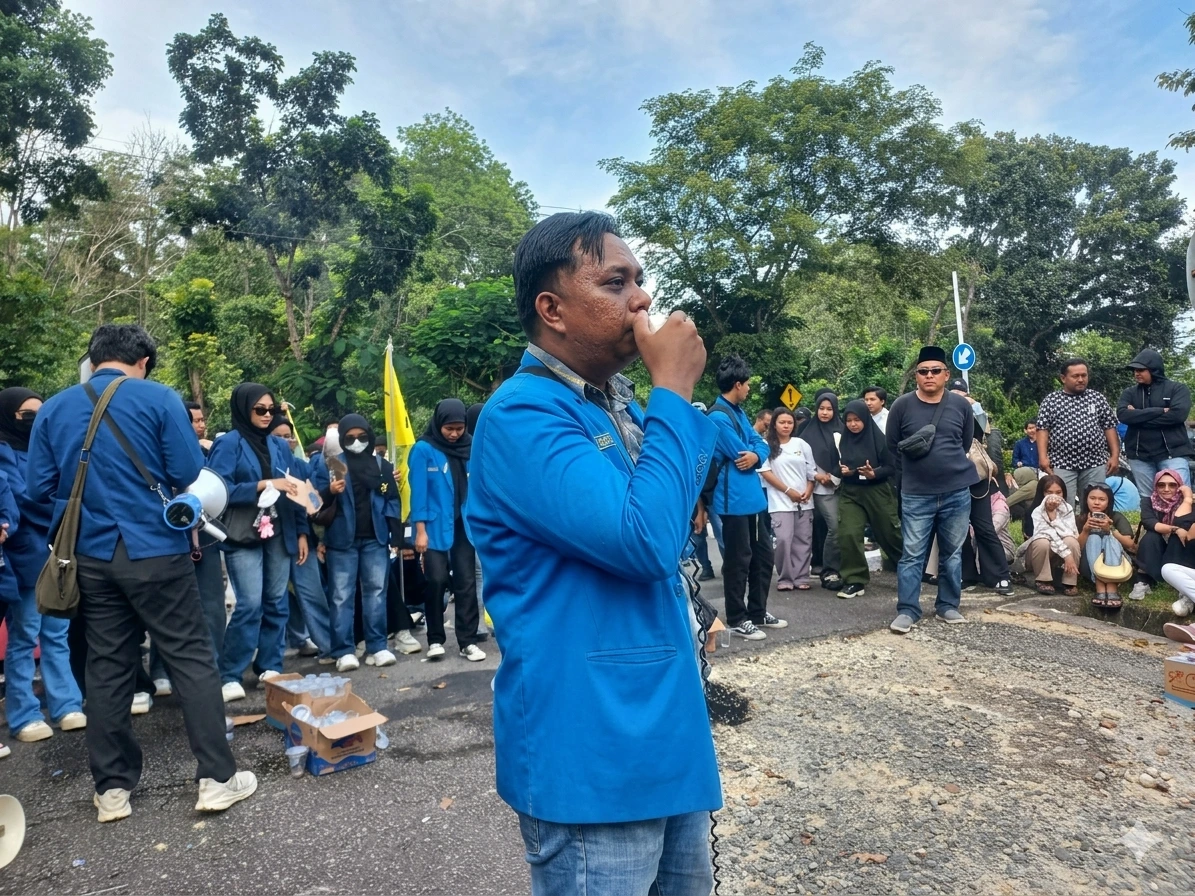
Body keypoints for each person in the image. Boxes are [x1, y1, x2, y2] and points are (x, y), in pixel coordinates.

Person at [465, 211, 720, 894]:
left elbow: (674, 517)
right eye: (615, 283)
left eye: (639, 279)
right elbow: (642, 542)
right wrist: (674, 390)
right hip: (592, 743)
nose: (641, 298)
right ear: (552, 309)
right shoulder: (522, 414)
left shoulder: (616, 405)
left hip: (665, 724)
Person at [26, 323, 256, 821]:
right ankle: (216, 780)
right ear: (144, 361)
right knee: (190, 658)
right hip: (155, 549)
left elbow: (38, 486)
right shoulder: (159, 398)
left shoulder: (55, 408)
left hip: (89, 555)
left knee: (108, 666)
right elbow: (185, 472)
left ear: (93, 358)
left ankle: (112, 790)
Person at [206, 383, 308, 699]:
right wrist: (263, 484)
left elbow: (294, 488)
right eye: (260, 409)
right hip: (243, 533)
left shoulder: (279, 445)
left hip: (279, 529)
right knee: (250, 604)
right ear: (243, 408)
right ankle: (231, 673)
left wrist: (302, 532)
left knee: (277, 601)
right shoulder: (228, 444)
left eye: (271, 410)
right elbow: (217, 491)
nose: (267, 415)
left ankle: (270, 665)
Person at [0, 386, 87, 743]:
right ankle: (24, 714)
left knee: (57, 633)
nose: (34, 421)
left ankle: (66, 705)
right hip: (25, 555)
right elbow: (24, 498)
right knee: (24, 635)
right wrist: (66, 513)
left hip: (57, 552)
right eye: (27, 415)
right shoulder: (3, 451)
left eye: (39, 413)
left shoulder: (46, 446)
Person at [886, 346, 978, 633]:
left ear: (946, 374)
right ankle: (907, 610)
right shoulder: (901, 405)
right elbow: (892, 446)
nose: (929, 375)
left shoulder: (961, 406)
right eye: (923, 371)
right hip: (916, 494)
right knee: (912, 554)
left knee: (952, 553)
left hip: (956, 492)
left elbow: (964, 443)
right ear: (916, 375)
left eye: (935, 371)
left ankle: (947, 605)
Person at [310, 413, 404, 668]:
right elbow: (313, 503)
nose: (356, 442)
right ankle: (343, 651)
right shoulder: (333, 465)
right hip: (342, 541)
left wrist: (395, 534)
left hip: (375, 538)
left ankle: (377, 647)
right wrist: (330, 491)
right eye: (350, 438)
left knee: (376, 593)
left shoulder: (381, 466)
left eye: (361, 437)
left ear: (369, 436)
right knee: (341, 596)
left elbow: (392, 500)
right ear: (342, 439)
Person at [708, 355, 781, 640]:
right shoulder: (718, 416)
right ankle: (738, 617)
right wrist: (754, 452)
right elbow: (740, 453)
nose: (749, 389)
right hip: (734, 501)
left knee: (763, 556)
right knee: (738, 560)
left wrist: (756, 454)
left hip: (753, 500)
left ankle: (758, 612)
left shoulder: (737, 411)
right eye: (748, 384)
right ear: (737, 384)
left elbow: (759, 445)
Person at [407, 400, 486, 662]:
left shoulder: (471, 446)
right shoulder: (424, 449)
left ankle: (468, 641)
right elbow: (418, 493)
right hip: (434, 526)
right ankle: (435, 639)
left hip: (464, 525)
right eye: (449, 429)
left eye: (459, 428)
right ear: (439, 424)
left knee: (466, 582)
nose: (454, 434)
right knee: (437, 580)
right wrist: (420, 530)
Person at [270, 419, 333, 664]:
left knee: (312, 592)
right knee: (276, 599)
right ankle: (274, 657)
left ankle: (329, 646)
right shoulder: (264, 464)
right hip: (270, 539)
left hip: (301, 538)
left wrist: (305, 535)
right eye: (278, 436)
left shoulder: (301, 466)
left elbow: (310, 504)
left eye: (288, 436)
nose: (285, 441)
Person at [836, 399, 902, 599]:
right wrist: (844, 471)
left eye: (857, 420)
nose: (853, 424)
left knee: (889, 533)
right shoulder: (842, 441)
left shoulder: (880, 440)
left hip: (877, 491)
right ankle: (854, 580)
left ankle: (910, 570)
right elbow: (835, 465)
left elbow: (892, 466)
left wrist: (875, 473)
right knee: (848, 533)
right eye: (849, 420)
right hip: (851, 492)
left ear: (865, 419)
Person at [1036, 358, 1120, 505]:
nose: (1081, 379)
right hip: (1062, 463)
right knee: (1062, 504)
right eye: (1075, 376)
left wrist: (1115, 455)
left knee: (1094, 504)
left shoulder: (1097, 398)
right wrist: (1043, 457)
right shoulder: (1051, 400)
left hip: (1095, 462)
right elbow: (1042, 429)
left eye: (1084, 375)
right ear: (1063, 378)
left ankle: (1090, 522)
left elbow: (1109, 427)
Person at [1118, 348, 1192, 498]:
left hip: (1172, 454)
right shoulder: (1129, 393)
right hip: (1139, 456)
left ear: (1154, 369)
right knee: (1148, 499)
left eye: (1141, 370)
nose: (1136, 373)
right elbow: (1123, 415)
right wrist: (1160, 410)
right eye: (1135, 370)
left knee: (1180, 496)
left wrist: (1137, 417)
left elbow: (1177, 415)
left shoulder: (1177, 389)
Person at [759, 407, 816, 591]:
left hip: (804, 501)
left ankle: (801, 577)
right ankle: (785, 577)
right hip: (780, 501)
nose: (786, 426)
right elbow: (766, 472)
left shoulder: (801, 444)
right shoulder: (765, 445)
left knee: (803, 540)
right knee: (783, 539)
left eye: (790, 422)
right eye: (782, 422)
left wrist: (808, 491)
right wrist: (788, 491)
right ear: (774, 424)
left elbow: (811, 472)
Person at [1131, 469, 1195, 601]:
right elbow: (1149, 522)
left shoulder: (1188, 503)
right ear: (1155, 486)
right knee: (1151, 536)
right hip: (1158, 544)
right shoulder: (1148, 501)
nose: (1166, 489)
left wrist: (1187, 499)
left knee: (1180, 537)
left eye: (1172, 485)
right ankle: (1144, 580)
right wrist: (1175, 529)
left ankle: (1180, 581)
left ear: (1179, 486)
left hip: (1180, 547)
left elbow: (1183, 522)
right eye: (1161, 485)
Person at [804, 394, 844, 591]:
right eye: (821, 408)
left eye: (829, 409)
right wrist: (817, 476)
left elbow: (850, 455)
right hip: (817, 488)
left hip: (842, 486)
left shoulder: (843, 430)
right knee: (831, 527)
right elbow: (800, 461)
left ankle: (838, 567)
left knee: (841, 528)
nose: (825, 413)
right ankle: (827, 568)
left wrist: (835, 475)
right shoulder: (806, 433)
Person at [1077, 483, 1136, 609]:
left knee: (1109, 539)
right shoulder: (1080, 519)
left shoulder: (1116, 517)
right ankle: (1100, 587)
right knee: (1093, 538)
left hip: (1118, 563)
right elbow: (1076, 549)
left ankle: (1111, 587)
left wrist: (1110, 529)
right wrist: (1086, 530)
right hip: (1088, 565)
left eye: (1102, 499)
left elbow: (1130, 545)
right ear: (1086, 500)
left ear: (1108, 502)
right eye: (1092, 498)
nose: (1096, 503)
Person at [1020, 475, 1080, 596]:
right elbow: (1047, 534)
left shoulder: (1067, 508)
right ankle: (1043, 580)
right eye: (1049, 492)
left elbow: (1069, 533)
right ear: (1042, 493)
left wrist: (1054, 519)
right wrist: (1067, 555)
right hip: (1038, 553)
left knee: (1071, 541)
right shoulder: (1036, 511)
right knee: (1043, 542)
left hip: (1060, 552)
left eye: (1058, 492)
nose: (1054, 497)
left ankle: (1069, 582)